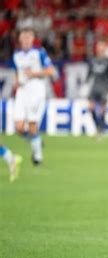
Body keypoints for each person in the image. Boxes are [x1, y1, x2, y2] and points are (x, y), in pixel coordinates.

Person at [13, 28, 54, 166]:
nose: (25, 41)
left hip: (36, 88)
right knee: (18, 127)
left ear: (32, 39)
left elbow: (50, 70)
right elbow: (17, 71)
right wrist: (17, 81)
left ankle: (38, 156)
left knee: (32, 124)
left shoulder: (39, 52)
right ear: (20, 39)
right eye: (23, 38)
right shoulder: (16, 54)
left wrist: (34, 73)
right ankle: (36, 140)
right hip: (22, 90)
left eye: (28, 38)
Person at [87, 40, 108, 135]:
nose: (100, 49)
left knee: (103, 108)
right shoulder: (92, 60)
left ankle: (101, 129)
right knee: (90, 107)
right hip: (94, 86)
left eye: (102, 47)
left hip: (104, 87)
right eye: (99, 47)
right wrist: (86, 84)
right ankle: (97, 126)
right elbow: (89, 74)